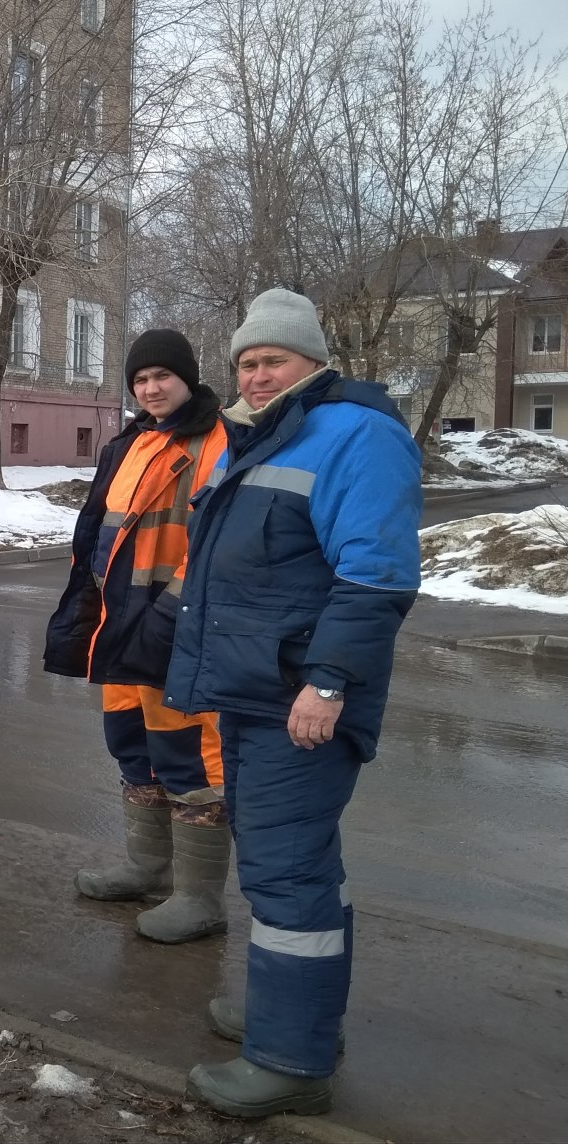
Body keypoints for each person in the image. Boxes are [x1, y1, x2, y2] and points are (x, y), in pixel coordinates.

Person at [164, 289, 421, 1118]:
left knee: (285, 870)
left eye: (272, 359)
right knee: (295, 864)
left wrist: (327, 682)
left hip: (298, 699)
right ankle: (294, 1012)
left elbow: (375, 576)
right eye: (245, 361)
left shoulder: (357, 435)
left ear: (313, 360)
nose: (257, 373)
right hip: (250, 692)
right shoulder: (259, 434)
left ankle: (290, 1060)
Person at [44, 329, 231, 944]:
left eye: (162, 377)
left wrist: (173, 609)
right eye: (140, 379)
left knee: (188, 755)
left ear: (188, 378)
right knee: (131, 744)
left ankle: (199, 898)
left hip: (173, 622)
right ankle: (149, 868)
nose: (151, 388)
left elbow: (212, 541)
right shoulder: (132, 440)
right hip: (118, 622)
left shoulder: (216, 440)